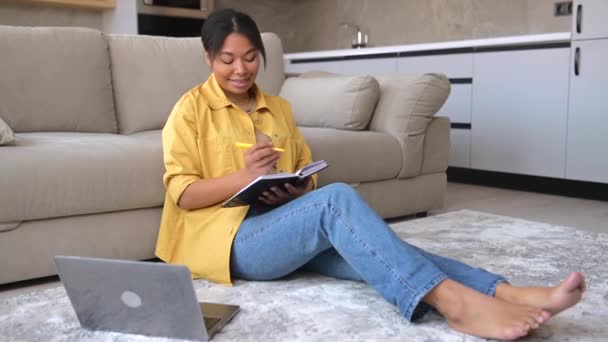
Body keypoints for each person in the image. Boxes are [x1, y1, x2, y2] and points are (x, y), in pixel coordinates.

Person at [155, 8, 586, 340]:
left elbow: (305, 174)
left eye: (250, 57)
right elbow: (183, 193)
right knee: (339, 201)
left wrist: (297, 187)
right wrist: (243, 177)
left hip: (281, 227)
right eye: (227, 59)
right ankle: (456, 305)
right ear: (209, 57)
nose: (240, 69)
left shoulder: (279, 108)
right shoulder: (189, 110)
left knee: (377, 247)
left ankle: (507, 293)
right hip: (231, 243)